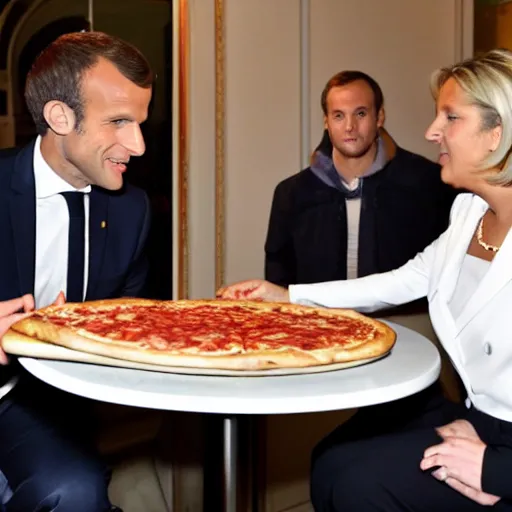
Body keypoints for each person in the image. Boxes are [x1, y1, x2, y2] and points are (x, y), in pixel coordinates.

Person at [218, 48, 512, 511]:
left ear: (497, 133)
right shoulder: (468, 211)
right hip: (477, 417)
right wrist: (287, 294)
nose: (431, 131)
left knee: (359, 484)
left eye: (450, 117)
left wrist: (497, 469)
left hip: (504, 453)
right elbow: (400, 280)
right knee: (329, 460)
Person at [0, 31, 153, 511]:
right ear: (59, 116)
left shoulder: (133, 210)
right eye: (120, 122)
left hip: (41, 410)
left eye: (140, 122)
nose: (140, 145)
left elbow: (130, 325)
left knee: (76, 493)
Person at [265, 70, 456, 289]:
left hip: (405, 321)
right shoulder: (291, 194)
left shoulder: (428, 184)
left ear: (379, 117)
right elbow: (279, 284)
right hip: (320, 321)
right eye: (338, 115)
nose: (349, 127)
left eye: (361, 114)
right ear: (326, 121)